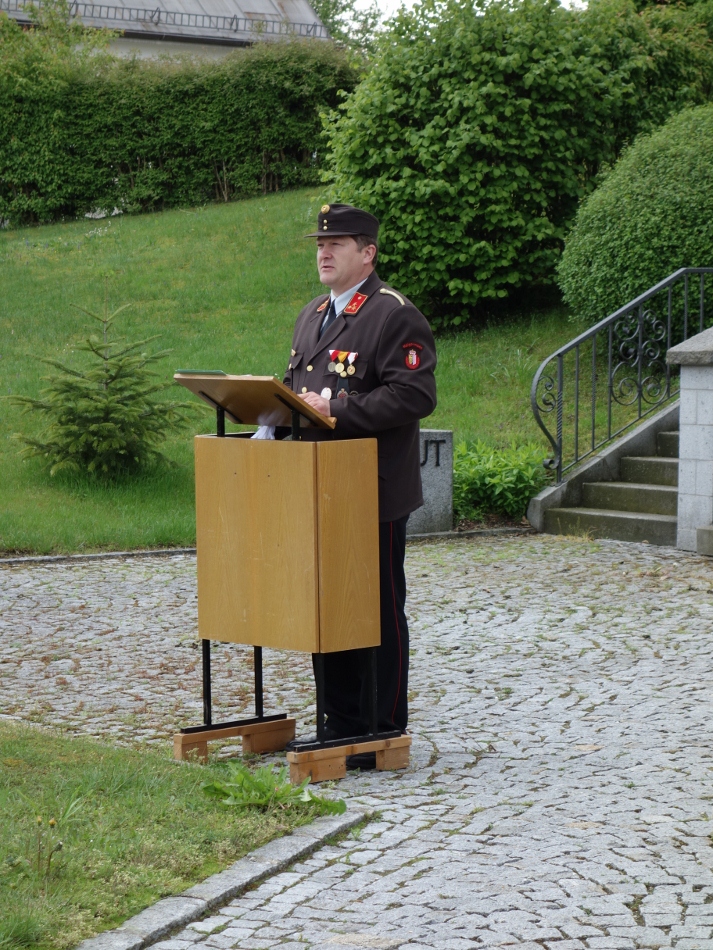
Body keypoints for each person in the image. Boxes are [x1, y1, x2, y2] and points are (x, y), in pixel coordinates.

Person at [285, 202, 437, 768]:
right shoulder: (311, 315)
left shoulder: (393, 314)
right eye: (320, 245)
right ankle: (339, 722)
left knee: (375, 607)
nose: (323, 252)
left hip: (371, 489)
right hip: (318, 487)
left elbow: (414, 395)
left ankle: (381, 726)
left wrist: (338, 409)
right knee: (328, 606)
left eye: (337, 244)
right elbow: (295, 387)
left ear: (368, 253)